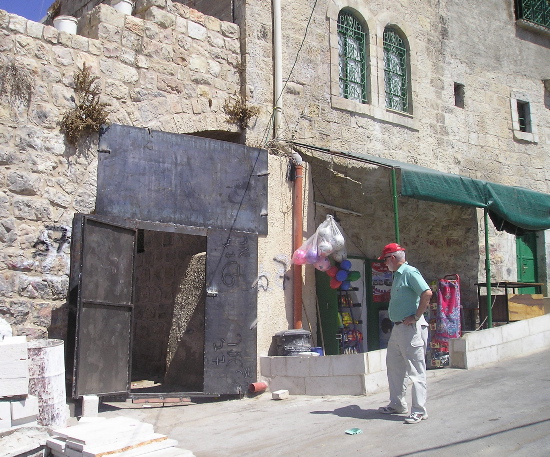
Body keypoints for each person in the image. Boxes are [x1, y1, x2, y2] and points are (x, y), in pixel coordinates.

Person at [377, 243, 432, 424]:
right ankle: (397, 404)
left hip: (410, 329)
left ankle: (419, 410)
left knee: (416, 370)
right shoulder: (398, 275)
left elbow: (426, 293)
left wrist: (416, 317)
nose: (385, 264)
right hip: (398, 328)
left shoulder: (409, 272)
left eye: (385, 260)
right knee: (394, 365)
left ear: (392, 257)